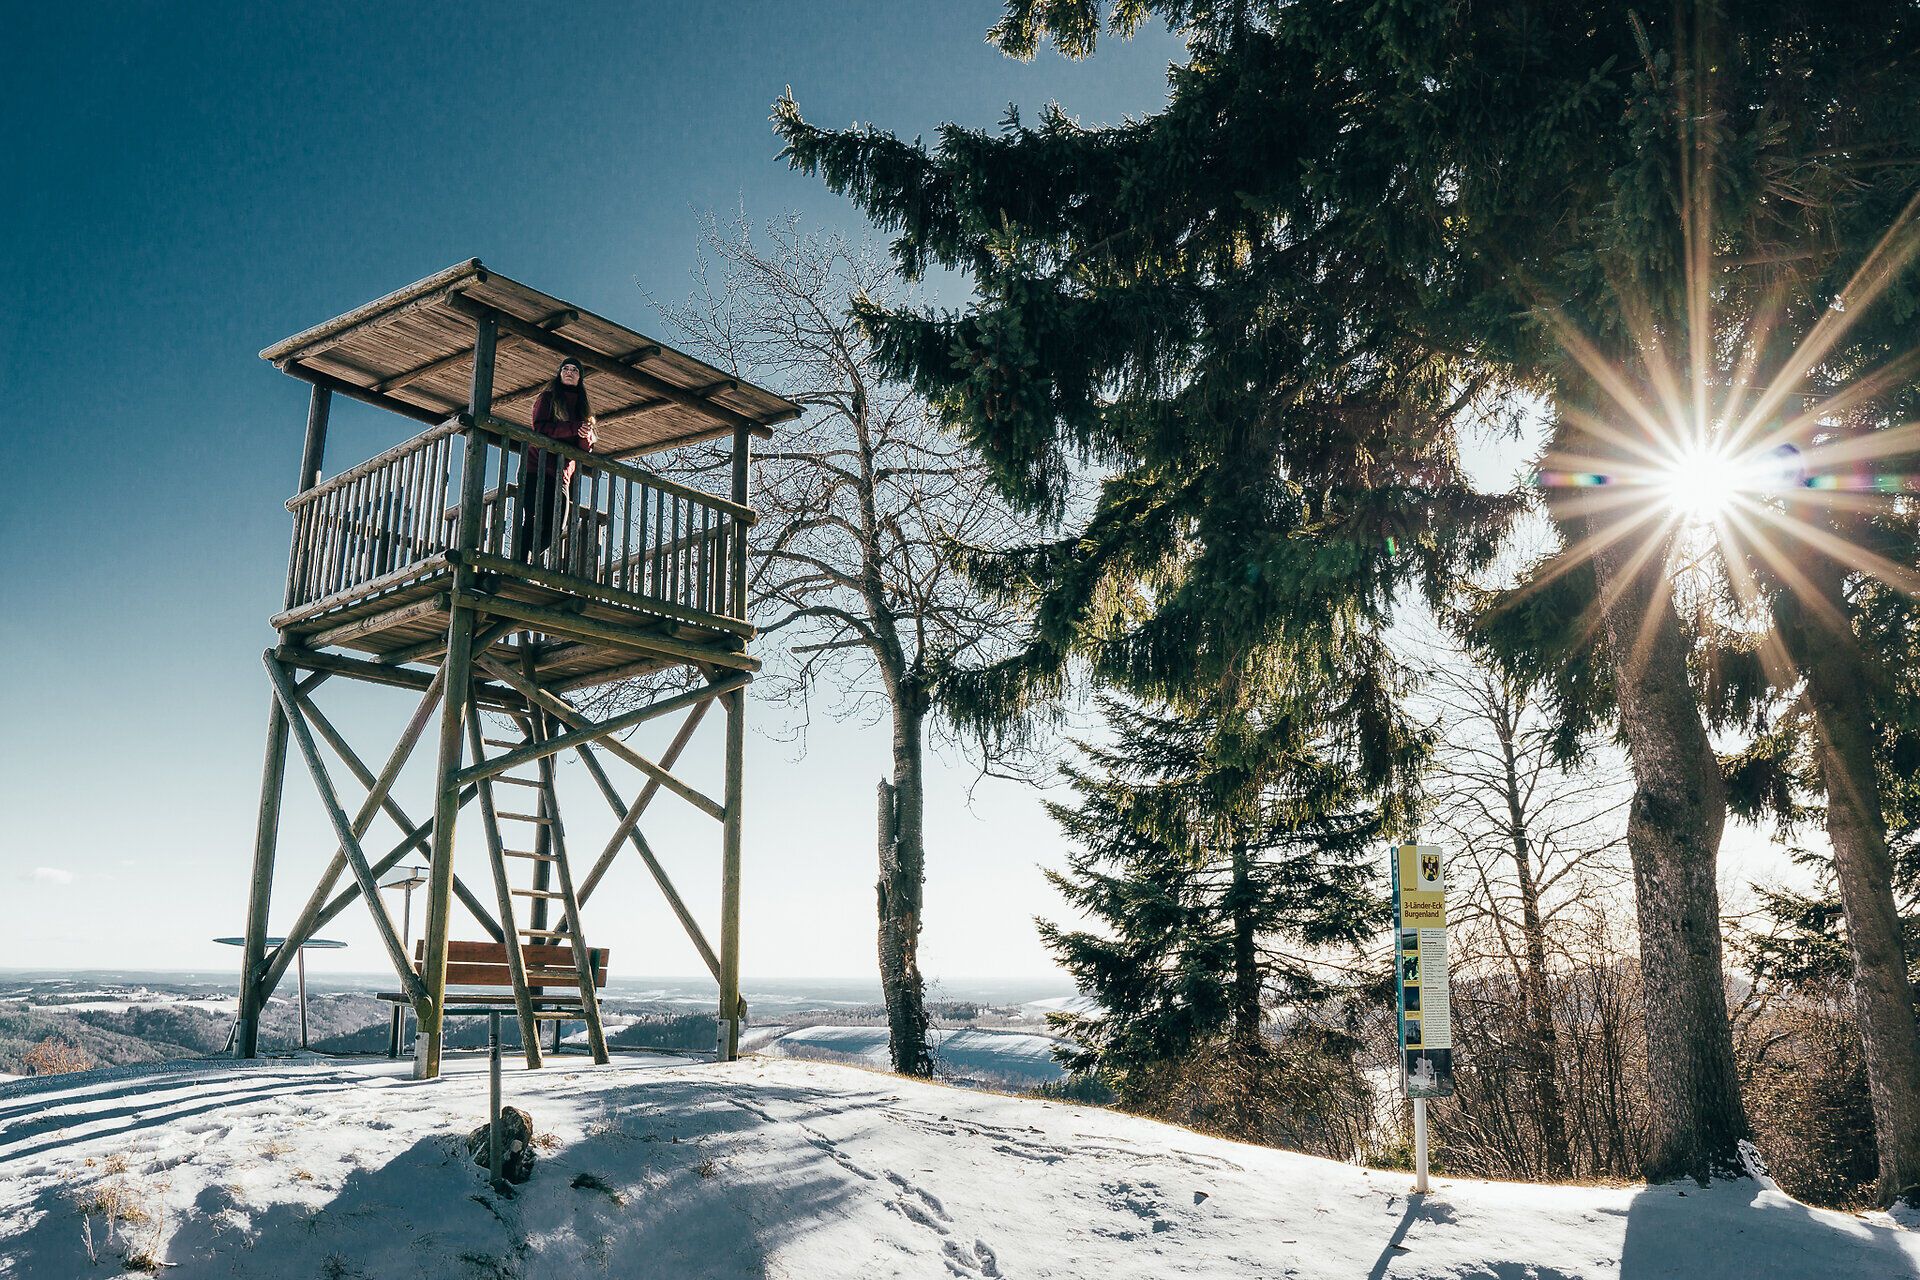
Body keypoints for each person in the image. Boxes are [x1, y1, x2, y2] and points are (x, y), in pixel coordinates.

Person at [518, 356, 598, 563]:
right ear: (560, 373)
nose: (570, 372)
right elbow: (540, 428)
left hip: (562, 474)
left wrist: (583, 435)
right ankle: (519, 563)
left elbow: (584, 450)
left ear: (580, 377)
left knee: (557, 525)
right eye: (566, 369)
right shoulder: (548, 398)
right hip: (537, 467)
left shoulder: (583, 409)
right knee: (534, 518)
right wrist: (573, 428)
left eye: (575, 370)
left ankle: (528, 560)